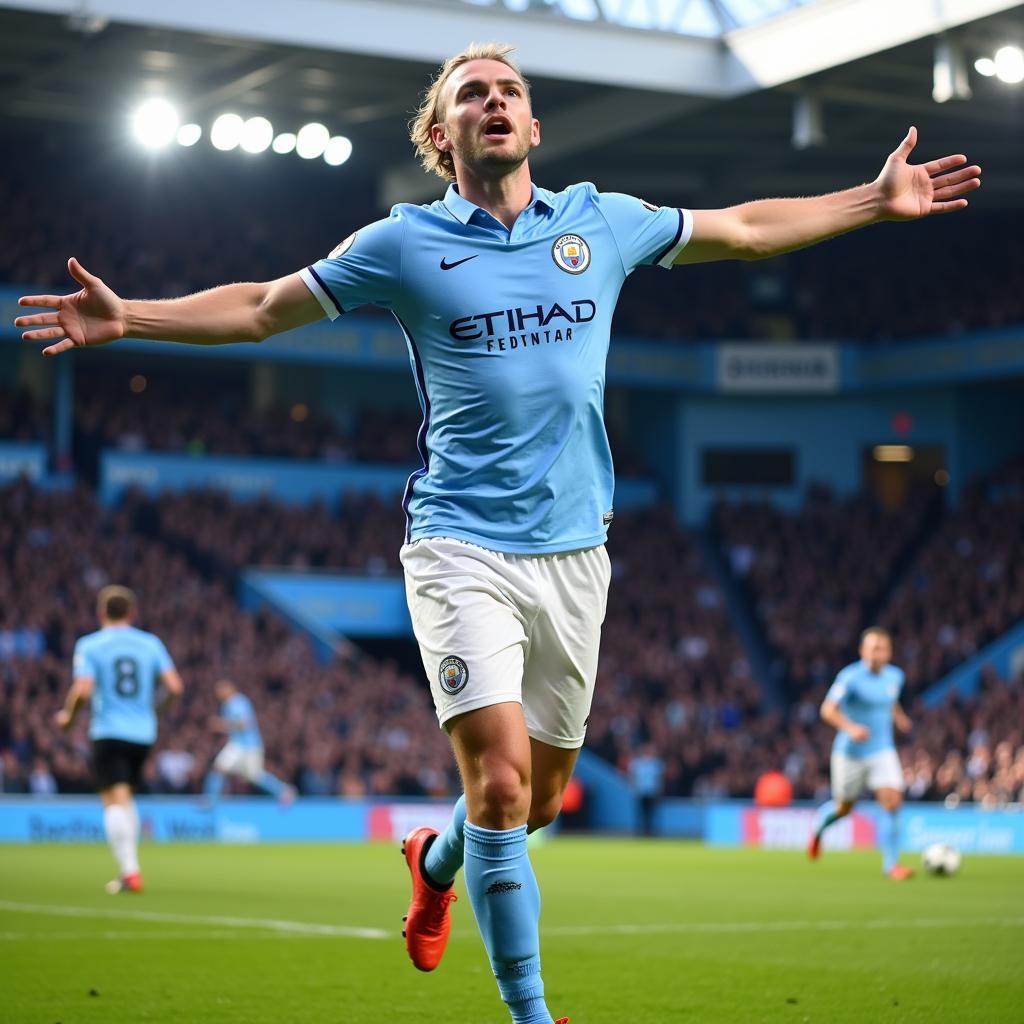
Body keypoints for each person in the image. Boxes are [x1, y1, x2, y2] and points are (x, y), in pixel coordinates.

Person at [17, 40, 980, 1023]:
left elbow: (739, 228)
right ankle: (530, 1011)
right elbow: (264, 308)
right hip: (458, 544)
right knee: (503, 782)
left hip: (576, 553)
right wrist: (130, 315)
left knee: (540, 801)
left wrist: (871, 200)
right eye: (470, 93)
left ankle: (433, 861)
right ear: (442, 135)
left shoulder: (601, 223)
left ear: (532, 124)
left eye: (509, 91)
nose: (494, 101)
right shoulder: (401, 243)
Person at [55, 585, 183, 893]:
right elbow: (175, 687)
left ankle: (130, 872)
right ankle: (130, 867)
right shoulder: (150, 643)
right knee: (126, 797)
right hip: (143, 734)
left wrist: (68, 718)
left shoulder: (90, 645)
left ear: (101, 613)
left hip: (109, 731)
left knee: (113, 800)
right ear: (132, 612)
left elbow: (83, 690)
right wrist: (158, 709)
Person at [808, 627, 914, 879]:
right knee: (844, 808)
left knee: (892, 800)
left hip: (882, 750)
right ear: (862, 651)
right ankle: (817, 830)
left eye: (883, 648)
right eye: (873, 648)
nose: (878, 653)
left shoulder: (895, 677)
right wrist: (850, 728)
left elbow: (890, 701)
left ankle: (891, 866)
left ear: (889, 652)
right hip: (850, 753)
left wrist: (899, 718)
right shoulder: (850, 677)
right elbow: (827, 709)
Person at [203, 678, 296, 805]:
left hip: (247, 746)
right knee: (220, 768)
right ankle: (210, 800)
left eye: (220, 690)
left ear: (229, 689)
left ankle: (283, 791)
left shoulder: (238, 702)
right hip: (239, 745)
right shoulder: (228, 704)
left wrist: (221, 725)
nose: (218, 694)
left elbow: (244, 724)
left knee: (254, 775)